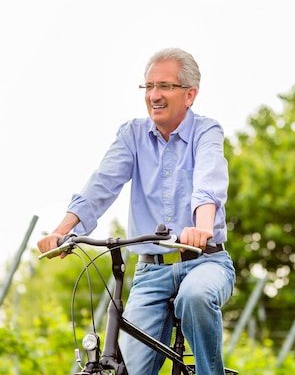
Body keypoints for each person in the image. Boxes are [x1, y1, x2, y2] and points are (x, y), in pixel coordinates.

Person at [37, 47, 235, 375]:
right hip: (150, 273)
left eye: (165, 87)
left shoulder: (206, 131)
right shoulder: (132, 135)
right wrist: (63, 230)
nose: (154, 95)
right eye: (149, 86)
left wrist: (202, 227)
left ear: (190, 94)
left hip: (205, 261)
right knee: (128, 369)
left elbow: (208, 182)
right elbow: (101, 185)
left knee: (195, 296)